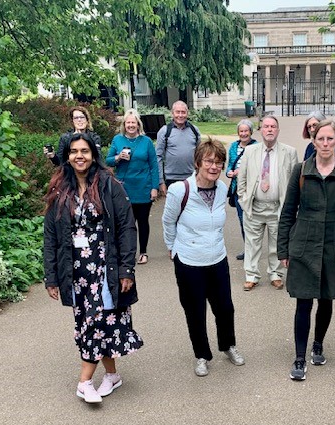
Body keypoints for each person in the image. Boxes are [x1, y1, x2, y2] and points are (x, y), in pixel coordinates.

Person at [43, 132, 143, 403]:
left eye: (84, 151)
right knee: (95, 322)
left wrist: (126, 269)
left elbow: (126, 227)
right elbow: (51, 236)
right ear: (67, 156)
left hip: (106, 268)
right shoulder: (59, 189)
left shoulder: (110, 185)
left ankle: (84, 381)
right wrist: (51, 277)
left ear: (93, 154)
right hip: (76, 272)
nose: (79, 155)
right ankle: (111, 375)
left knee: (100, 322)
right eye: (74, 151)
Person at [278, 120, 335, 381]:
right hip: (304, 242)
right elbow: (288, 211)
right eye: (320, 139)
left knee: (326, 299)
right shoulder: (301, 171)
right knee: (303, 302)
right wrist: (283, 250)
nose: (325, 144)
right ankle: (300, 358)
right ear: (313, 142)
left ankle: (319, 344)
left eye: (330, 139)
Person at [162, 138, 245, 377]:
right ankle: (201, 355)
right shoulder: (180, 190)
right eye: (209, 161)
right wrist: (172, 247)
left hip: (217, 258)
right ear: (198, 162)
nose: (214, 167)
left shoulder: (221, 189)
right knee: (195, 311)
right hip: (189, 262)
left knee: (225, 308)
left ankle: (228, 345)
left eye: (218, 162)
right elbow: (168, 221)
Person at [237, 115, 298, 291]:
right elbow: (242, 179)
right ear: (261, 130)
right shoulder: (250, 151)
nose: (269, 129)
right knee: (252, 244)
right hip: (255, 207)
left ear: (278, 130)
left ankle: (275, 274)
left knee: (276, 243)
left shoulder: (289, 152)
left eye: (273, 126)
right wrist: (243, 200)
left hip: (277, 208)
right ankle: (251, 275)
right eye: (266, 126)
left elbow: (294, 182)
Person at [106, 109, 159, 265]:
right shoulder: (117, 140)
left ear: (138, 124)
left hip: (143, 186)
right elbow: (107, 161)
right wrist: (118, 157)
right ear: (124, 124)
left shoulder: (146, 141)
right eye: (128, 122)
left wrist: (154, 187)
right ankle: (127, 253)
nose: (130, 125)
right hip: (124, 187)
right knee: (125, 223)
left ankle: (143, 252)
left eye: (133, 122)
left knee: (142, 221)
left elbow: (154, 166)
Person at [225, 119, 258, 261]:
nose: (244, 133)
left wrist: (243, 171)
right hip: (237, 189)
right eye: (241, 131)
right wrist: (229, 173)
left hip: (252, 189)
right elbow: (230, 165)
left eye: (246, 131)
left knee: (253, 220)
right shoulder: (233, 146)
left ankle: (254, 249)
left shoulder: (257, 146)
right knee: (242, 219)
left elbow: (259, 167)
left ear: (251, 132)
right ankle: (248, 249)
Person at [156, 101, 201, 195]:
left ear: (187, 113)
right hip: (171, 178)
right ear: (172, 113)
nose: (180, 115)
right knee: (174, 208)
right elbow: (158, 157)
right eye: (177, 112)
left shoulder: (194, 130)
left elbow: (200, 155)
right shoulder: (165, 131)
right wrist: (161, 181)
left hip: (191, 177)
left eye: (183, 112)